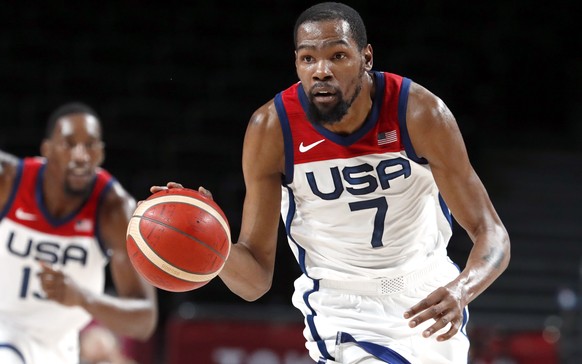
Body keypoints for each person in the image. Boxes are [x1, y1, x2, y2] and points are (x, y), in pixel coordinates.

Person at [154, 2, 510, 363]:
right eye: (308, 59)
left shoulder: (419, 114)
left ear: (366, 57)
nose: (321, 71)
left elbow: (491, 233)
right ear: (296, 64)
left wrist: (462, 290)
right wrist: (212, 242)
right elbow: (255, 281)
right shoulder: (273, 130)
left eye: (337, 56)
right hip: (343, 306)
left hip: (429, 293)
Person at [0, 102, 158, 364]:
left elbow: (144, 320)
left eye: (91, 145)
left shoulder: (114, 209)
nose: (81, 155)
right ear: (47, 150)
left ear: (101, 154)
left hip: (61, 345)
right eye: (69, 144)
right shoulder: (9, 181)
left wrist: (82, 297)